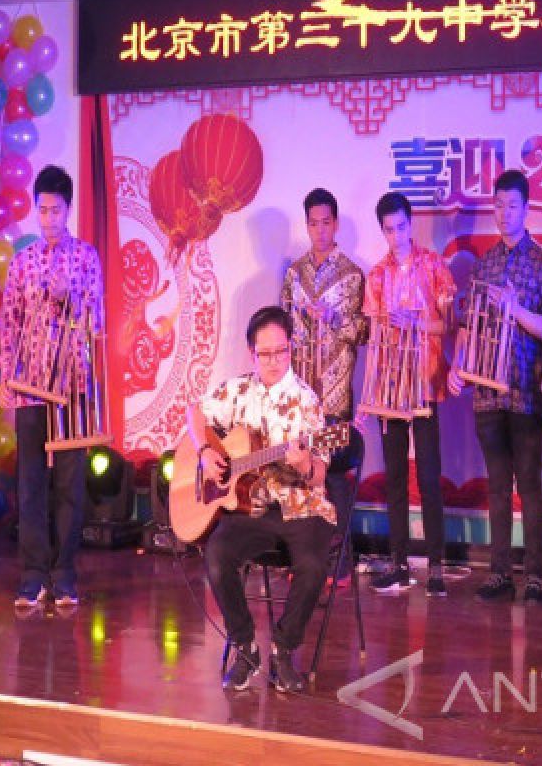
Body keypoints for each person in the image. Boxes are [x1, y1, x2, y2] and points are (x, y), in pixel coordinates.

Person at [191, 305, 334, 693]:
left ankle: (284, 650)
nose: (274, 361)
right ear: (252, 353)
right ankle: (246, 645)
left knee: (314, 565)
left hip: (299, 506)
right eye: (265, 353)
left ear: (291, 349)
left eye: (281, 351)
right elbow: (195, 414)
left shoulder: (307, 401)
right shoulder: (236, 390)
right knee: (217, 556)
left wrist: (305, 465)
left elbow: (320, 472)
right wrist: (205, 450)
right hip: (249, 508)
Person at [448, 169, 542, 604]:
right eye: (498, 205)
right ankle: (500, 573)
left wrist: (515, 311)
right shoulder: (485, 263)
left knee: (529, 484)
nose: (504, 213)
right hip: (487, 394)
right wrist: (458, 366)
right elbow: (468, 327)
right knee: (496, 486)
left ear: (527, 209)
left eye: (512, 205)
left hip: (527, 391)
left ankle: (534, 576)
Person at [0, 165, 103, 608]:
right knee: (31, 483)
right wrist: (6, 376)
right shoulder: (22, 262)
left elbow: (95, 322)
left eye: (55, 211)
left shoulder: (86, 258)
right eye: (41, 211)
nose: (47, 220)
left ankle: (64, 572)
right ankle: (33, 573)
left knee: (69, 483)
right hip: (29, 387)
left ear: (68, 209)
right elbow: (8, 323)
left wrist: (70, 296)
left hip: (72, 388)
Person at [364, 192, 455, 597]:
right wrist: (388, 323)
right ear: (382, 230)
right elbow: (371, 331)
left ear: (410, 223)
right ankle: (398, 561)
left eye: (401, 226)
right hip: (389, 388)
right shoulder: (377, 274)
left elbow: (448, 325)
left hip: (424, 382)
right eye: (388, 229)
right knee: (395, 476)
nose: (396, 235)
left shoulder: (434, 264)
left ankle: (436, 563)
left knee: (430, 475)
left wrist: (415, 323)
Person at [280, 188, 367, 571]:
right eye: (313, 223)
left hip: (333, 390)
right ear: (307, 226)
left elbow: (362, 332)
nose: (319, 230)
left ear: (336, 223)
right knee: (297, 471)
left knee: (332, 474)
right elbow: (283, 328)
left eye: (326, 222)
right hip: (299, 390)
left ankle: (341, 561)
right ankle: (302, 559)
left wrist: (332, 319)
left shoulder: (351, 275)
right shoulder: (294, 273)